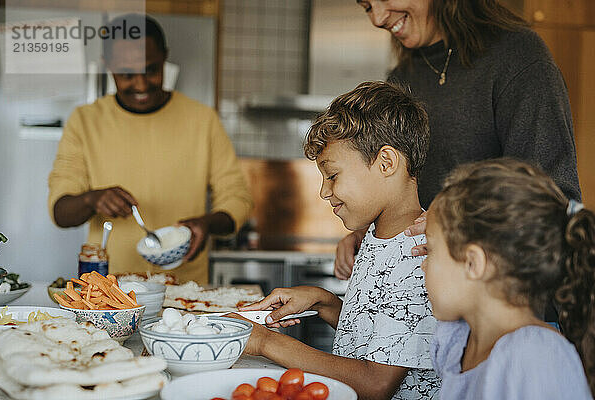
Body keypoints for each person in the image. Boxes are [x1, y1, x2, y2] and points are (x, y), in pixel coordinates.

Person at [335, 0, 581, 280]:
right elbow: (400, 192)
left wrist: (461, 222)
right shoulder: (402, 78)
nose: (378, 18)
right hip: (432, 304)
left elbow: (556, 201)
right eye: (367, 6)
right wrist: (369, 233)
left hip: (505, 299)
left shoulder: (518, 56)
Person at [231, 81, 440, 400]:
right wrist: (323, 301)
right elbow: (380, 338)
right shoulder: (377, 234)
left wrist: (264, 342)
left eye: (333, 175)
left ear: (386, 163)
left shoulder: (420, 253)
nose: (324, 192)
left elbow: (376, 383)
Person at [48, 15, 252, 283]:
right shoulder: (85, 121)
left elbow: (237, 197)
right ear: (107, 66)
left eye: (152, 69)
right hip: (109, 289)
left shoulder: (202, 120)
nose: (141, 84)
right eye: (127, 74)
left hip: (184, 291)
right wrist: (91, 199)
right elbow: (60, 211)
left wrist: (207, 224)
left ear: (165, 58)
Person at [422, 158, 593, 399]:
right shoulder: (456, 340)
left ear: (473, 263)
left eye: (430, 250)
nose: (422, 265)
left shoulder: (535, 356)